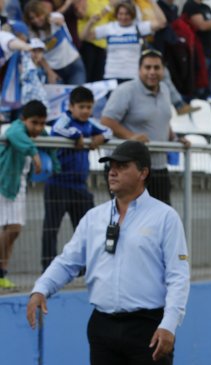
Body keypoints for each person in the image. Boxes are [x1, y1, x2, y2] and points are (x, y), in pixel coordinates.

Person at [26, 141, 191, 365]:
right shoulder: (94, 218)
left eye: (121, 165)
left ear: (143, 171)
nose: (111, 171)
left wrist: (169, 325)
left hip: (147, 328)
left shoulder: (164, 217)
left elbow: (179, 276)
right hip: (102, 328)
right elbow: (68, 260)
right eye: (109, 165)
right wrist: (41, 289)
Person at [101, 49, 190, 205]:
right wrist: (131, 137)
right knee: (128, 219)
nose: (152, 72)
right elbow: (107, 120)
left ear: (163, 71)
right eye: (147, 67)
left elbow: (162, 121)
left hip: (158, 167)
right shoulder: (125, 90)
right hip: (129, 169)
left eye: (157, 68)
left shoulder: (165, 90)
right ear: (139, 70)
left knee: (161, 219)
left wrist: (176, 139)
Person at [42, 86, 111, 271]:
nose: (86, 111)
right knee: (51, 228)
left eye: (89, 107)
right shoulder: (65, 120)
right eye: (81, 107)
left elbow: (109, 131)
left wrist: (100, 137)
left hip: (80, 186)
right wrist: (76, 135)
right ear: (71, 106)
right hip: (58, 183)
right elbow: (56, 129)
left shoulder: (90, 123)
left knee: (88, 229)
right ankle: (47, 268)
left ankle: (85, 266)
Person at [0, 100, 50, 290]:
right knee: (13, 228)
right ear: (23, 120)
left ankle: (2, 273)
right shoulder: (16, 129)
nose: (38, 128)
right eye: (34, 122)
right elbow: (14, 134)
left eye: (41, 123)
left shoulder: (36, 133)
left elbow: (51, 141)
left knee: (12, 232)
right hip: (5, 184)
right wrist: (34, 152)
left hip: (19, 185)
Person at [80, 0, 167, 82]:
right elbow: (84, 37)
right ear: (116, 14)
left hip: (133, 77)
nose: (123, 17)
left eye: (127, 14)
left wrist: (152, 2)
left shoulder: (139, 27)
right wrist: (90, 22)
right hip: (112, 76)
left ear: (132, 15)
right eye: (120, 14)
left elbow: (162, 22)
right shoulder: (110, 28)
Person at [23, 0, 86, 84]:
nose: (36, 20)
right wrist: (49, 73)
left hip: (73, 64)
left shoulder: (54, 17)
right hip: (55, 70)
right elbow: (40, 56)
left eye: (38, 15)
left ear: (43, 12)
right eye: (32, 18)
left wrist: (50, 19)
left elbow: (60, 20)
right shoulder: (32, 33)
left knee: (78, 95)